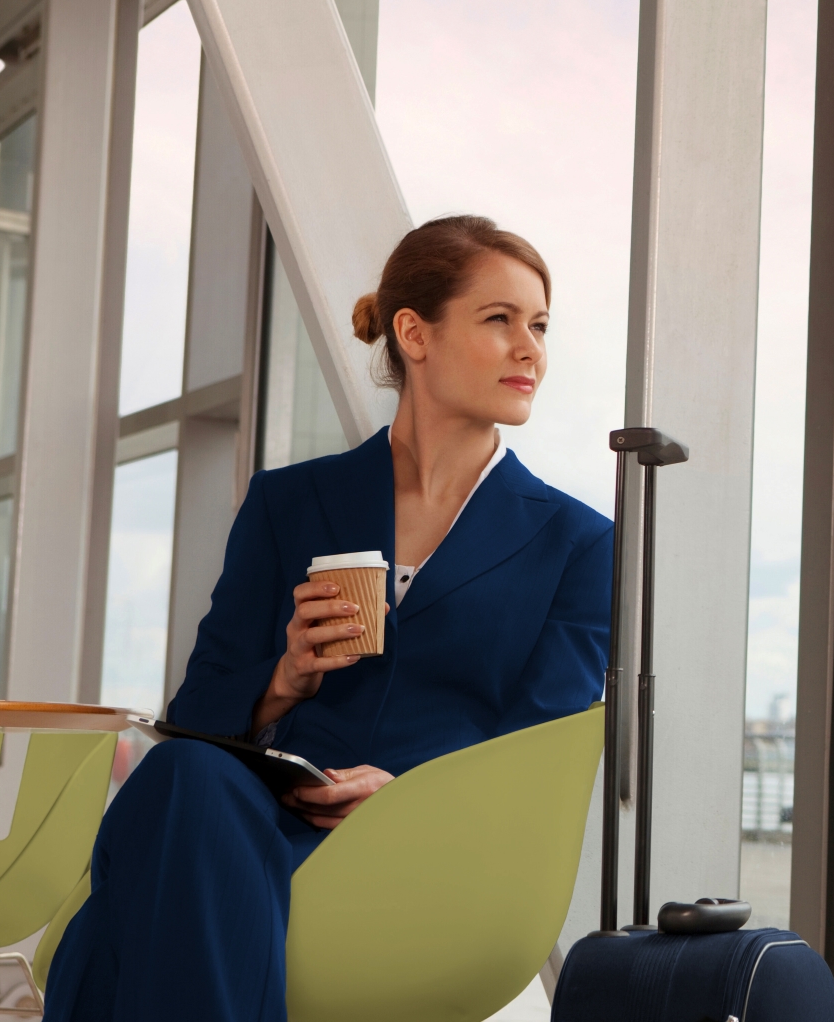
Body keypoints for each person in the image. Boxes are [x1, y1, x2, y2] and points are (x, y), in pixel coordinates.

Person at [43, 216, 612, 1021]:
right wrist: (285, 678)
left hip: (431, 846)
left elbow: (535, 756)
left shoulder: (578, 545)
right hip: (257, 819)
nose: (531, 350)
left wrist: (407, 795)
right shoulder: (290, 502)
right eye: (500, 319)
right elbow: (196, 713)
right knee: (182, 776)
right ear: (414, 333)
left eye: (541, 326)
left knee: (141, 881)